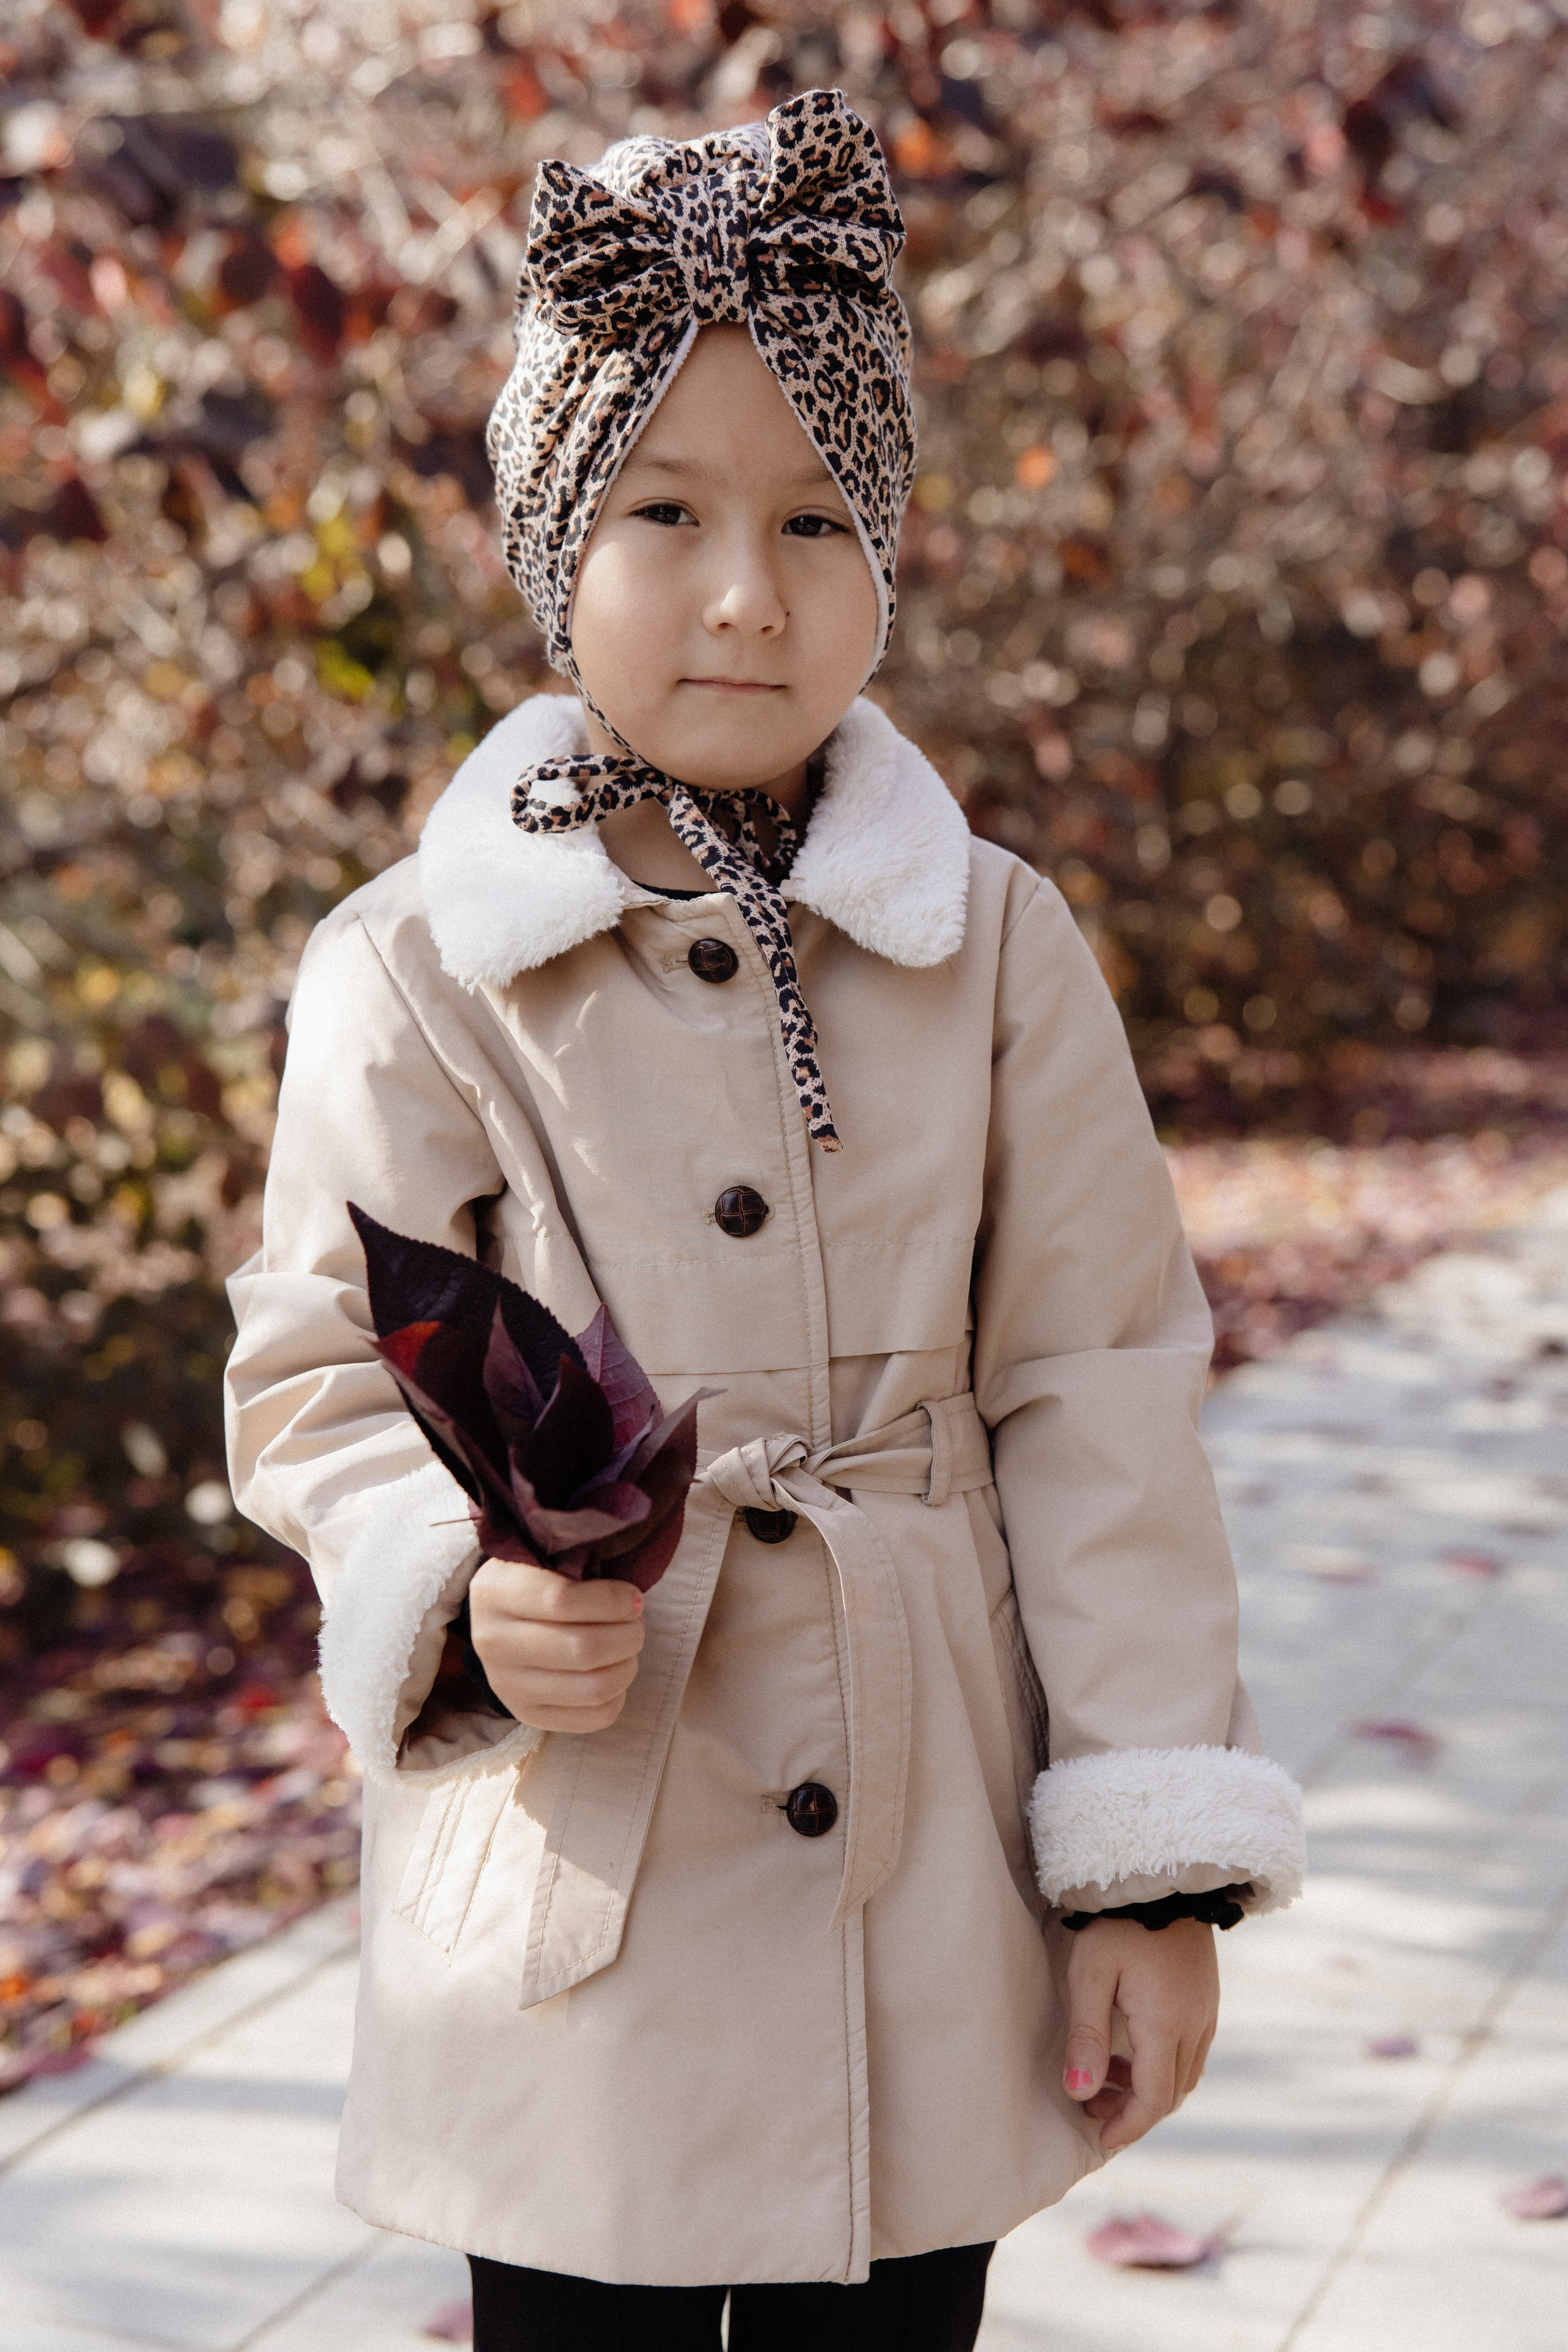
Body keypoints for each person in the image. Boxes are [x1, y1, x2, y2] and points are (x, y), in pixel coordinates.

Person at [224, 88, 1304, 2352]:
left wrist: (1148, 1869)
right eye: (667, 510)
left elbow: (1096, 1384)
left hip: (922, 1860)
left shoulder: (994, 947)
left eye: (819, 517)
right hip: (577, 1849)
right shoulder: (421, 964)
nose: (747, 591)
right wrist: (457, 1599)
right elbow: (326, 1370)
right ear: (553, 537)